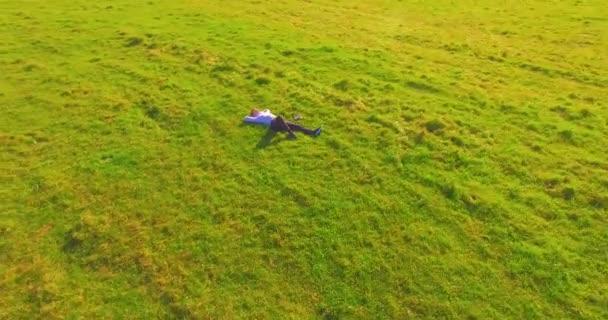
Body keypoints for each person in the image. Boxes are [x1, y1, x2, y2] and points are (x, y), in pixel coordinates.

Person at [244, 109, 321, 139]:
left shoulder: (263, 113)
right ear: (253, 114)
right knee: (279, 117)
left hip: (280, 123)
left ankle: (312, 132)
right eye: (255, 111)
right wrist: (253, 116)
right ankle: (290, 133)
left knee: (297, 126)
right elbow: (246, 118)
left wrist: (262, 111)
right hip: (273, 125)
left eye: (256, 110)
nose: (257, 110)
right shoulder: (257, 118)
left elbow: (267, 109)